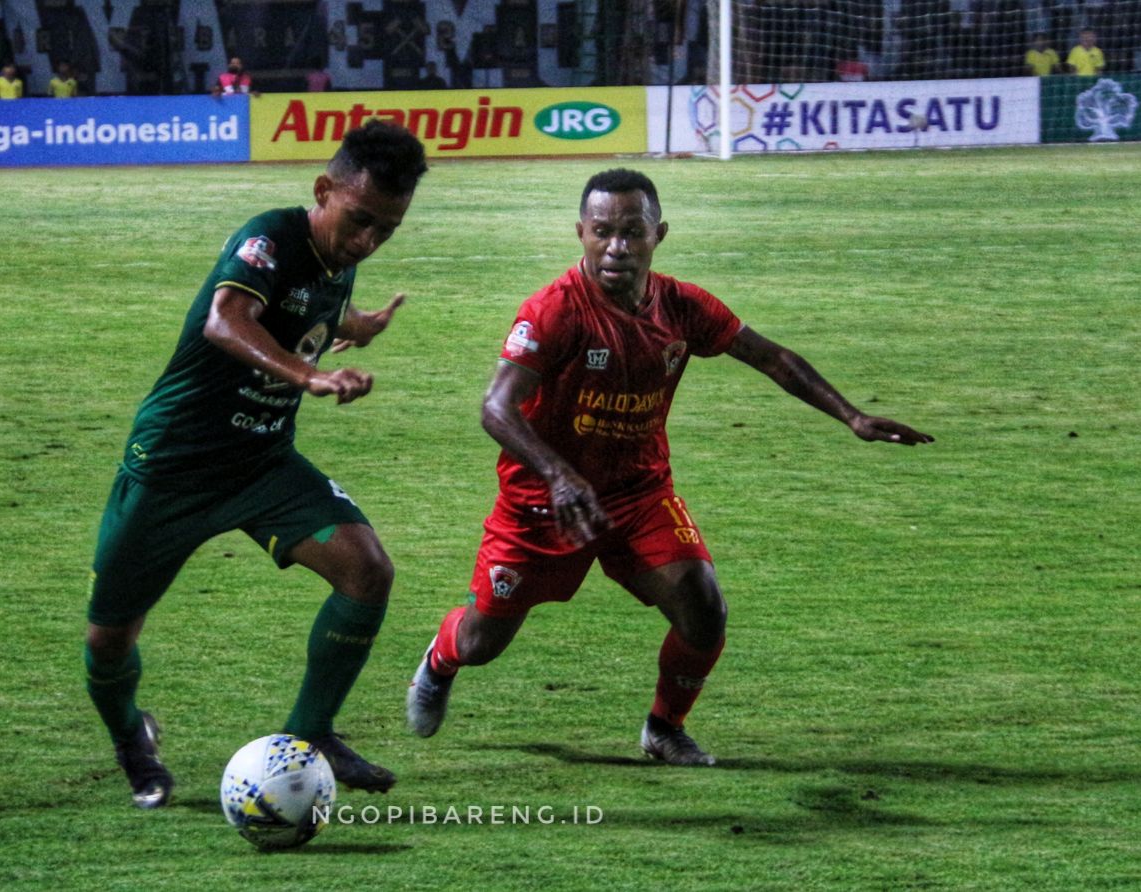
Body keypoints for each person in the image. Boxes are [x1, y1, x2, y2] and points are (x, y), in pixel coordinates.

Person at [406, 169, 933, 766]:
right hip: (542, 504)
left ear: (659, 234)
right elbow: (496, 407)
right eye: (602, 231)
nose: (616, 247)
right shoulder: (554, 311)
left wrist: (852, 416)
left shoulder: (681, 306)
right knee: (483, 642)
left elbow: (770, 357)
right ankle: (441, 660)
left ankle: (663, 729)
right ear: (580, 232)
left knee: (703, 607)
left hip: (637, 494)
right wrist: (558, 475)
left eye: (633, 232)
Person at [85, 120, 428, 808]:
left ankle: (311, 735)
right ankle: (131, 735)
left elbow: (318, 310)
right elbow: (227, 319)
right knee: (109, 638)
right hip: (173, 466)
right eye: (359, 221)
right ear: (323, 189)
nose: (367, 240)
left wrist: (359, 324)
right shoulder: (269, 237)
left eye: (385, 230)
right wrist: (309, 376)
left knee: (367, 570)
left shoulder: (339, 258)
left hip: (262, 464)